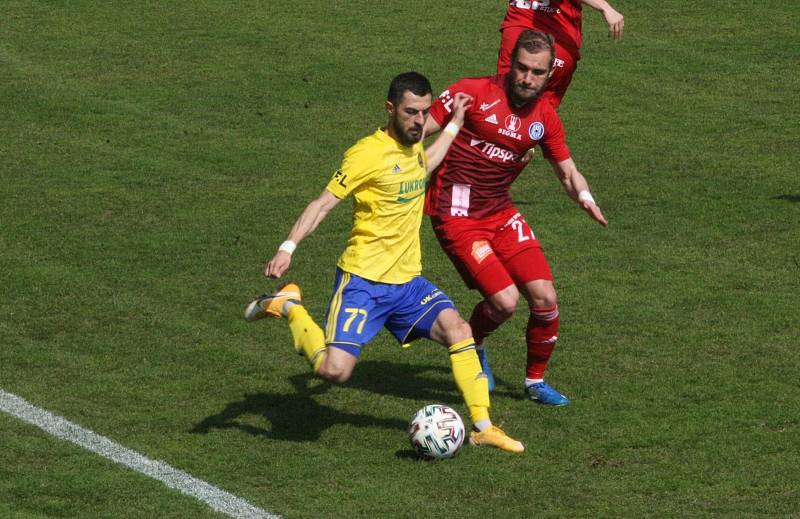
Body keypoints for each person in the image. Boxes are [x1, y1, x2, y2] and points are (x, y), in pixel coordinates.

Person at [244, 72, 524, 453]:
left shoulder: (415, 145)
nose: (419, 121)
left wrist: (455, 122)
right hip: (364, 283)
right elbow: (322, 203)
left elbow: (424, 166)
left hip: (409, 284)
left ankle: (483, 426)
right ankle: (288, 306)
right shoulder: (366, 154)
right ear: (390, 109)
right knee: (334, 371)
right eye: (411, 112)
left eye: (425, 113)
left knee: (460, 331)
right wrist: (287, 247)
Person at [423, 31, 608, 405]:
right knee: (505, 302)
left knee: (545, 298)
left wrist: (585, 196)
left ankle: (534, 383)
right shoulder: (472, 92)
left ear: (548, 76)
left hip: (500, 211)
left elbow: (568, 172)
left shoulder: (544, 118)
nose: (527, 78)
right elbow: (419, 127)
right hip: (456, 214)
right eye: (522, 68)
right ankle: (471, 345)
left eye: (537, 73)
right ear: (511, 64)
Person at [497, 0, 624, 107]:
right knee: (518, 104)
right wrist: (605, 7)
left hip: (520, 27)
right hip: (556, 36)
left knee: (505, 98)